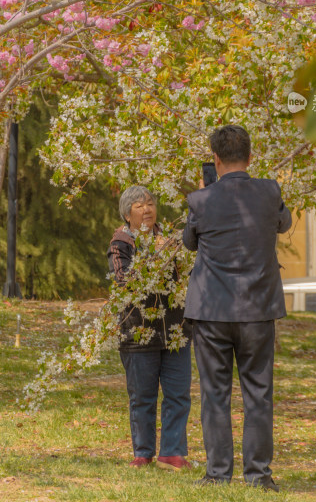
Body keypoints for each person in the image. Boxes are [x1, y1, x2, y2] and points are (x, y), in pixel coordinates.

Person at [183, 125, 292, 492]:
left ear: (215, 159)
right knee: (258, 393)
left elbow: (188, 242)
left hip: (212, 309)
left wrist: (203, 195)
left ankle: (217, 474)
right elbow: (283, 222)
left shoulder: (200, 199)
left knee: (215, 394)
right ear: (251, 156)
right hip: (258, 308)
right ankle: (259, 475)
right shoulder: (269, 190)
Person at [108, 185, 192, 470]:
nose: (147, 209)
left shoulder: (171, 240)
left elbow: (185, 276)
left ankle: (172, 452)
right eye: (139, 205)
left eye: (151, 204)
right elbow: (124, 280)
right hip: (137, 331)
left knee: (178, 394)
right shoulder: (121, 243)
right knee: (142, 396)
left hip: (174, 330)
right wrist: (155, 257)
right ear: (127, 213)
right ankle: (143, 452)